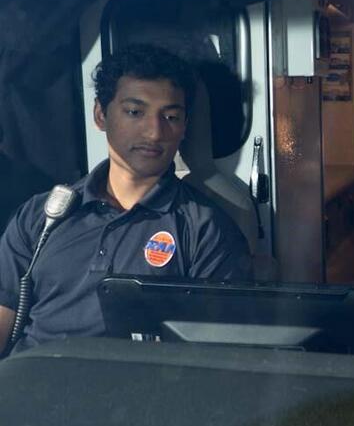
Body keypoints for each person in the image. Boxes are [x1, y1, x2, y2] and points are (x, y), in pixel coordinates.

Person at [0, 44, 252, 353]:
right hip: (33, 386)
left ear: (185, 126)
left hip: (133, 392)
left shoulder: (205, 229)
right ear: (100, 115)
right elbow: (4, 314)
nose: (154, 132)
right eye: (135, 112)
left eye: (171, 116)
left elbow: (216, 351)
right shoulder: (43, 214)